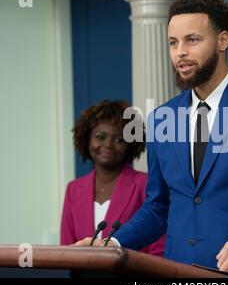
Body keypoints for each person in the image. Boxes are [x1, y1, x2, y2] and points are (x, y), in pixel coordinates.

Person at [76, 0, 228, 278]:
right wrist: (112, 243)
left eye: (192, 40)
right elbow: (158, 207)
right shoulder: (161, 119)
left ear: (222, 40)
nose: (180, 52)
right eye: (173, 42)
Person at [60, 100, 165, 256]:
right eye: (100, 137)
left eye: (119, 140)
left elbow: (158, 249)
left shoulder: (146, 184)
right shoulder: (74, 189)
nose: (108, 144)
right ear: (87, 139)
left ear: (131, 144)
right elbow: (66, 249)